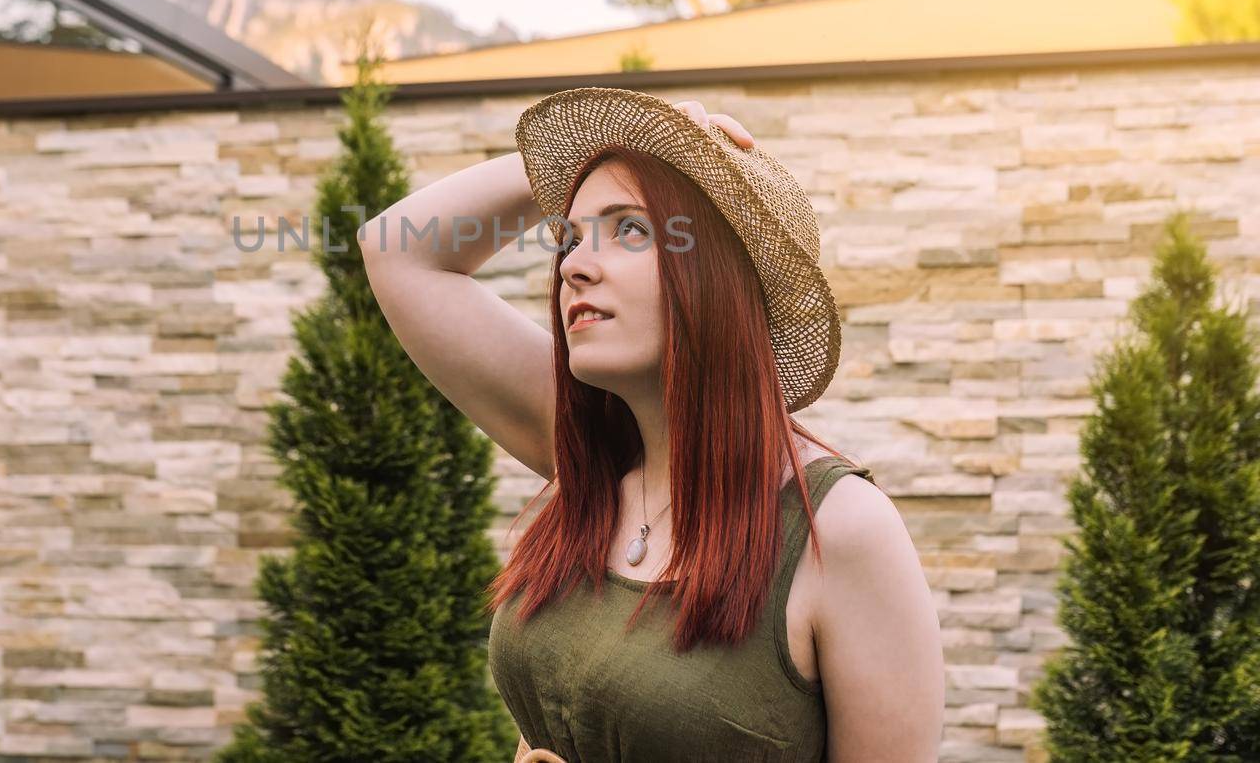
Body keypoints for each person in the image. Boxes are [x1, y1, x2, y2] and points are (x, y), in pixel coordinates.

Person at [362, 88, 943, 762]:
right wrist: (595, 147)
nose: (574, 265)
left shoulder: (837, 530)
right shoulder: (596, 461)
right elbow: (394, 248)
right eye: (570, 238)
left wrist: (646, 144)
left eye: (629, 230)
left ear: (715, 274)